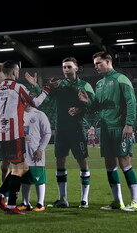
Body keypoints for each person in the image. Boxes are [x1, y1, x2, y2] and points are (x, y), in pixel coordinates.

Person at [26, 57, 95, 209]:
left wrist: (81, 107)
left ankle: (84, 199)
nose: (66, 70)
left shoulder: (85, 85)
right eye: (64, 67)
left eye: (69, 67)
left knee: (82, 162)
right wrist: (36, 86)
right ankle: (63, 198)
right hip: (61, 129)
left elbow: (93, 105)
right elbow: (47, 99)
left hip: (77, 129)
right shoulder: (59, 85)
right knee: (60, 161)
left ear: (76, 68)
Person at [77, 52, 137, 211]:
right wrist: (87, 102)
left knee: (125, 162)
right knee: (109, 164)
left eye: (99, 63)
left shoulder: (121, 79)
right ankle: (117, 201)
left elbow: (131, 102)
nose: (96, 66)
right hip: (105, 128)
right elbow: (96, 107)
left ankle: (135, 202)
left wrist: (129, 124)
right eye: (95, 64)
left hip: (120, 127)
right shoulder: (99, 84)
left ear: (108, 61)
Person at [0, 61, 45, 214]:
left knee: (21, 167)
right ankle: (11, 205)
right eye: (17, 71)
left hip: (2, 135)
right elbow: (35, 103)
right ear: (14, 72)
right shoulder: (18, 87)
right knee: (19, 169)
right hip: (16, 134)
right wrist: (46, 90)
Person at [19, 101, 51, 211]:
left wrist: (40, 149)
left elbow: (47, 133)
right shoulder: (20, 114)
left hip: (35, 152)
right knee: (25, 179)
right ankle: (25, 203)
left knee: (39, 178)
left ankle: (40, 204)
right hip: (23, 152)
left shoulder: (40, 114)